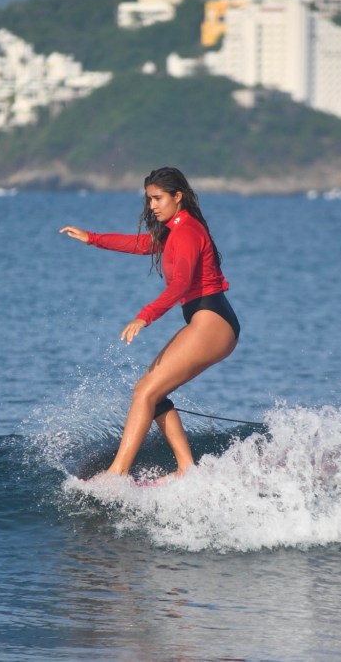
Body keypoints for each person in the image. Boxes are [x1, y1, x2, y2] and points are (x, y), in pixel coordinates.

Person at [60, 167, 240, 480]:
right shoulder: (173, 230)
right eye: (149, 199)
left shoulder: (187, 231)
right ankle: (186, 468)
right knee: (148, 392)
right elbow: (141, 244)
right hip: (208, 319)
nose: (153, 205)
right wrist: (92, 238)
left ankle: (117, 474)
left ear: (177, 196)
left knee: (145, 393)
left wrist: (145, 315)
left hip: (213, 320)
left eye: (158, 198)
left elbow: (181, 283)